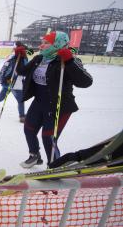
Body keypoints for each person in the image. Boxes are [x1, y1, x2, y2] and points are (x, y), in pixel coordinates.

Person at [16, 31, 93, 168]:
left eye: (46, 43)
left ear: (57, 44)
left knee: (48, 138)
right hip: (39, 102)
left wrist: (69, 61)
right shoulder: (39, 59)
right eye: (42, 42)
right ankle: (34, 156)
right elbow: (21, 71)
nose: (41, 46)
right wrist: (20, 56)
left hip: (59, 105)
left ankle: (55, 166)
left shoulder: (68, 60)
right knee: (29, 129)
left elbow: (86, 82)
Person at [0, 41, 28, 123]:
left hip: (7, 82)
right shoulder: (20, 58)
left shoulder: (12, 56)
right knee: (21, 100)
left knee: (1, 97)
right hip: (15, 83)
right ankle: (22, 116)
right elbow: (24, 70)